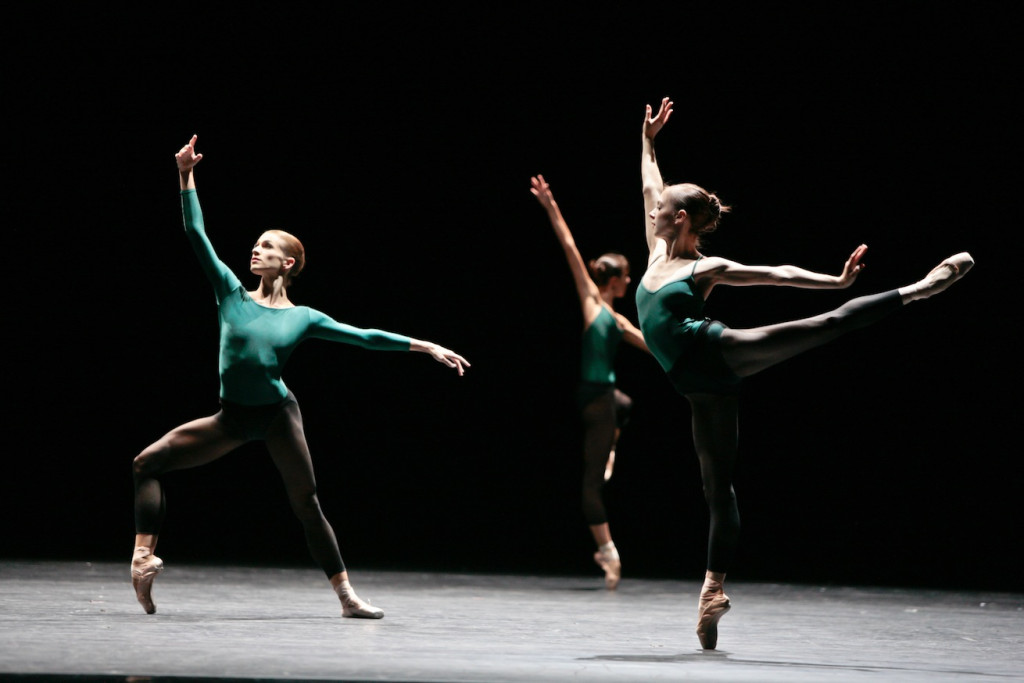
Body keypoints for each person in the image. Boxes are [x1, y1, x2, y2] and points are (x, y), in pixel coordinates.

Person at [637, 98, 973, 649]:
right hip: (696, 385)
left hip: (716, 353)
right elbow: (652, 182)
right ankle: (711, 593)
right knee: (716, 488)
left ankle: (918, 290)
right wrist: (648, 141)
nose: (651, 210)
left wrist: (836, 281)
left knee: (828, 323)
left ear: (680, 220)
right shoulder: (656, 249)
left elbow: (776, 274)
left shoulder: (705, 268)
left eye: (661, 209)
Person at [130, 135, 470, 619]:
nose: (256, 248)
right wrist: (185, 175)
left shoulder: (304, 317)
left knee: (306, 504)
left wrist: (426, 345)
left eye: (266, 246)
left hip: (275, 416)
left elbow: (365, 336)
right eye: (256, 243)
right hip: (231, 418)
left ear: (286, 263)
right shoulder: (231, 295)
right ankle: (143, 561)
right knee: (147, 462)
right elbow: (196, 234)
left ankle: (347, 596)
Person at [530, 175, 650, 590]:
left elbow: (655, 348)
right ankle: (608, 550)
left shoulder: (618, 320)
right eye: (627, 277)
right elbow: (569, 247)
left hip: (608, 398)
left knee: (628, 403)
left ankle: (613, 445)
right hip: (594, 400)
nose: (630, 283)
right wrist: (550, 206)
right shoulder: (592, 302)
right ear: (613, 281)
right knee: (591, 484)